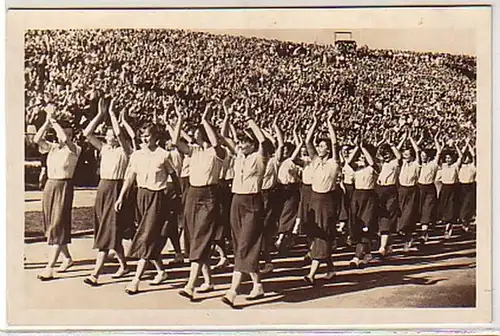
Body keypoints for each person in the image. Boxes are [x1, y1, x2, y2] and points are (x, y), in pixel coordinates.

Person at [114, 123, 181, 294]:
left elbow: (174, 176)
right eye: (142, 135)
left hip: (157, 198)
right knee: (148, 236)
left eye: (147, 135)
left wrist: (175, 197)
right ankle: (161, 271)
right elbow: (130, 177)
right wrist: (121, 197)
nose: (144, 138)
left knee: (146, 236)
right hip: (140, 196)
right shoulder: (137, 155)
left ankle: (135, 280)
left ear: (156, 137)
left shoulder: (164, 155)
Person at [174, 102, 226, 300]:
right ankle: (208, 281)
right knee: (194, 236)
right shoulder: (194, 151)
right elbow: (176, 141)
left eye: (198, 133)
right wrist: (179, 119)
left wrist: (206, 119)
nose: (195, 136)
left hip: (209, 195)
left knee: (201, 237)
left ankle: (190, 285)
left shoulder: (217, 153)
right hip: (192, 194)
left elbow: (216, 143)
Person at [221, 100, 268, 308]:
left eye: (244, 142)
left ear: (252, 144)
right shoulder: (239, 155)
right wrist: (227, 114)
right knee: (241, 244)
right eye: (239, 143)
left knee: (245, 244)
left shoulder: (259, 157)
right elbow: (223, 136)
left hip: (252, 202)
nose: (240, 145)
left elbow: (264, 141)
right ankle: (257, 285)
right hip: (236, 201)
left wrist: (249, 117)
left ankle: (233, 291)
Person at [82, 97, 133, 286]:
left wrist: (112, 114)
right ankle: (124, 265)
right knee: (110, 229)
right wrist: (100, 114)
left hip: (116, 188)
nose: (109, 137)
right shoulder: (104, 148)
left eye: (112, 134)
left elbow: (120, 135)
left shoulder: (125, 151)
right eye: (107, 134)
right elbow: (87, 133)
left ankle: (96, 273)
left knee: (107, 229)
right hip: (103, 188)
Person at [33, 105, 82, 281]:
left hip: (64, 186)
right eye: (65, 133)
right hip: (50, 185)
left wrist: (53, 119)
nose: (66, 137)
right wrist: (47, 121)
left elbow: (63, 137)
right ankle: (67, 258)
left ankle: (50, 267)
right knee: (51, 224)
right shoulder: (52, 147)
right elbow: (37, 139)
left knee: (57, 224)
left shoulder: (75, 149)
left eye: (70, 134)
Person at [303, 110, 339, 284]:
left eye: (324, 146)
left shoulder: (334, 162)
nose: (320, 148)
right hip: (314, 199)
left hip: (327, 201)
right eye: (320, 146)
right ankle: (330, 268)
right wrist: (315, 121)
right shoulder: (315, 160)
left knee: (322, 234)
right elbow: (307, 141)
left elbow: (335, 143)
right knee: (316, 233)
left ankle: (311, 274)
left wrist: (329, 123)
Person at [347, 135, 377, 268]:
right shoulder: (357, 167)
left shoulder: (374, 167)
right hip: (357, 196)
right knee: (357, 225)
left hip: (369, 197)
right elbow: (349, 162)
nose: (361, 158)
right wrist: (357, 147)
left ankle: (357, 256)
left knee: (366, 225)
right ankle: (367, 252)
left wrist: (363, 148)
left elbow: (371, 163)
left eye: (363, 156)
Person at [374, 130, 402, 257]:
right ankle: (387, 244)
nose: (386, 156)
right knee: (380, 216)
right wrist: (381, 141)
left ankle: (382, 247)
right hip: (380, 189)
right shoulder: (381, 163)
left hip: (391, 190)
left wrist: (391, 144)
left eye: (388, 154)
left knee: (388, 216)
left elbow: (399, 157)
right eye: (384, 154)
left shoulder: (395, 163)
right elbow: (374, 154)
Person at [397, 130, 421, 252]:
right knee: (400, 216)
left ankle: (408, 239)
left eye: (407, 155)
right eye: (404, 155)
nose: (405, 157)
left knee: (409, 216)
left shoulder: (416, 164)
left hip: (412, 191)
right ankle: (407, 239)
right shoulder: (401, 163)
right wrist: (403, 138)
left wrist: (411, 138)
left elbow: (418, 151)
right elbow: (397, 150)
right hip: (401, 190)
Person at [417, 131, 443, 244]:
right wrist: (420, 138)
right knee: (418, 209)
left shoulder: (433, 164)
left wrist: (436, 139)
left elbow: (439, 152)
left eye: (424, 155)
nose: (422, 157)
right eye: (421, 156)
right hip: (418, 188)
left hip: (429, 188)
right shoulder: (418, 163)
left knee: (427, 209)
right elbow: (416, 149)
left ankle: (424, 232)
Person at [436, 140, 463, 239]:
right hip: (444, 188)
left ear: (452, 158)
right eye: (446, 158)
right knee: (444, 206)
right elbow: (438, 157)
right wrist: (442, 145)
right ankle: (446, 223)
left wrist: (456, 146)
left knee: (451, 207)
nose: (448, 159)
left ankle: (449, 227)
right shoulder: (442, 166)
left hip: (453, 188)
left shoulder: (455, 166)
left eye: (449, 158)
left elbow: (461, 157)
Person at [458, 138, 476, 233]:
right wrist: (466, 144)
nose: (466, 159)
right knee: (462, 204)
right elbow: (460, 155)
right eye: (465, 157)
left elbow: (473, 155)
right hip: (461, 186)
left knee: (468, 205)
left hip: (470, 186)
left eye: (467, 157)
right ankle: (463, 222)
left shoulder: (472, 165)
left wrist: (469, 145)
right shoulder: (461, 165)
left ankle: (466, 221)